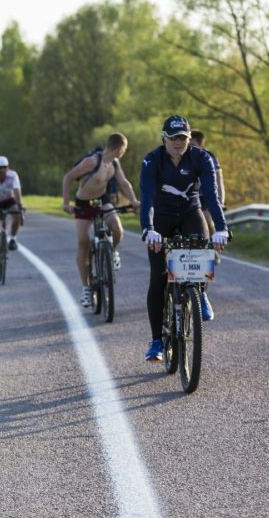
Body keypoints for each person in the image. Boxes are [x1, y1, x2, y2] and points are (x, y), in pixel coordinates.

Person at [139, 115, 229, 362]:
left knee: (203, 253)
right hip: (161, 216)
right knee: (158, 277)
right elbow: (146, 198)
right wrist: (148, 229)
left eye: (183, 138)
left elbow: (211, 195)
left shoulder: (202, 158)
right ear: (163, 139)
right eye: (173, 138)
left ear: (189, 139)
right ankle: (157, 341)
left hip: (191, 211)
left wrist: (221, 228)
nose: (178, 143)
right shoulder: (152, 160)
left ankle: (199, 292)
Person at [62, 133, 140, 307]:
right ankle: (86, 288)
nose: (124, 152)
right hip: (83, 202)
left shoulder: (114, 163)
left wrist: (134, 201)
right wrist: (66, 203)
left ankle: (112, 252)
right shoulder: (91, 162)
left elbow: (124, 183)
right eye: (124, 149)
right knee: (83, 243)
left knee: (117, 229)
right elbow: (68, 177)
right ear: (120, 148)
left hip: (102, 199)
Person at [190, 129, 226, 236]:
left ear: (200, 145)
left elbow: (219, 180)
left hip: (205, 196)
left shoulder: (209, 157)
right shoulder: (182, 156)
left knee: (206, 220)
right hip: (187, 195)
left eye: (193, 144)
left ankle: (214, 247)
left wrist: (221, 201)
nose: (189, 148)